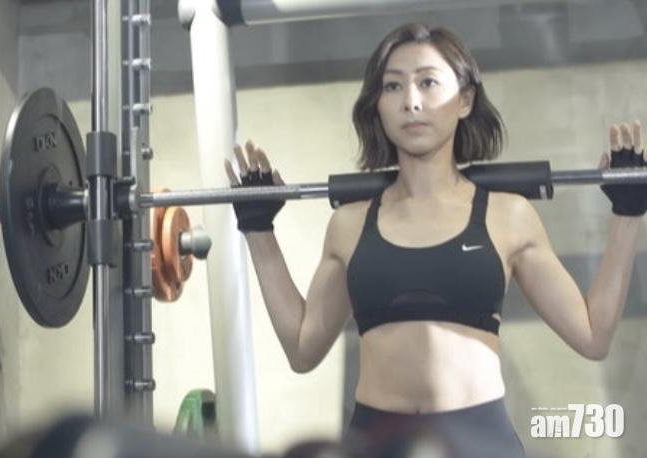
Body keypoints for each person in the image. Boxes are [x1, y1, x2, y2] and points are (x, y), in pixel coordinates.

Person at [224, 22, 644, 458]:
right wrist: (258, 227)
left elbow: (592, 336)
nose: (411, 101)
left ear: (465, 99)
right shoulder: (350, 224)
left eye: (428, 82)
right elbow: (302, 349)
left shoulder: (508, 215)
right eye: (393, 86)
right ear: (377, 105)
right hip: (376, 442)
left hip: (479, 443)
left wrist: (627, 211)